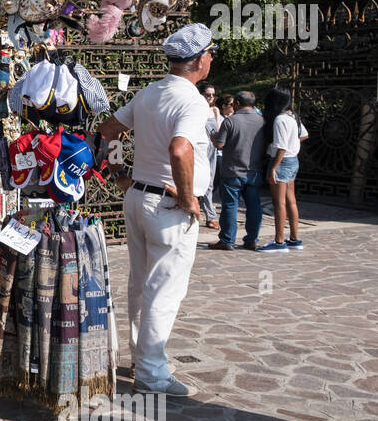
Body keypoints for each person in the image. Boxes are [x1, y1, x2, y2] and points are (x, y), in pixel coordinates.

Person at [96, 23, 215, 397]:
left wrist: (118, 173)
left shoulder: (150, 92)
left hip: (138, 197)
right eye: (210, 53)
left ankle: (141, 356)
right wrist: (189, 198)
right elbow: (180, 149)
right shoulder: (192, 101)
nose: (211, 59)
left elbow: (109, 128)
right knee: (164, 290)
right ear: (198, 61)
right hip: (167, 206)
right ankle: (151, 371)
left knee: (140, 284)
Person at [208, 90, 267, 251]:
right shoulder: (262, 120)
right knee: (254, 206)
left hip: (232, 170)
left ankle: (227, 240)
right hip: (254, 171)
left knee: (230, 206)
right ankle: (252, 239)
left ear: (238, 104)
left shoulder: (231, 121)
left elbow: (219, 144)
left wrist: (213, 137)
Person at [260, 87, 308, 251]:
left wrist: (273, 167)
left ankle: (279, 241)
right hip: (292, 161)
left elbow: (281, 147)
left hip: (282, 161)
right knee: (291, 201)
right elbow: (303, 135)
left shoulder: (280, 119)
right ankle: (294, 238)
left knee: (278, 203)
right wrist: (294, 145)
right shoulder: (293, 116)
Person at [198, 84, 219, 229]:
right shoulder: (197, 108)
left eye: (213, 95)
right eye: (208, 95)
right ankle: (209, 215)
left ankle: (210, 216)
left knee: (209, 183)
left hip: (212, 149)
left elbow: (218, 130)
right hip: (199, 147)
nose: (211, 97)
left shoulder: (215, 110)